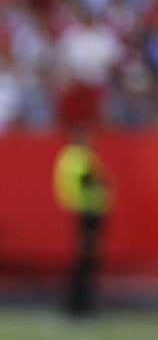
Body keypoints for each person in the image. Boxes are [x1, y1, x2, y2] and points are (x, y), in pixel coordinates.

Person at [53, 122, 110, 319]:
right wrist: (103, 182)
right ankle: (79, 302)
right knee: (86, 259)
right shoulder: (77, 156)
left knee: (86, 258)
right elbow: (86, 181)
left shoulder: (75, 156)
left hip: (88, 212)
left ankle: (79, 301)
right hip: (87, 213)